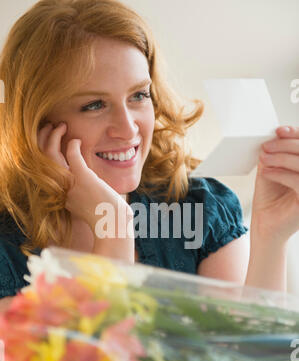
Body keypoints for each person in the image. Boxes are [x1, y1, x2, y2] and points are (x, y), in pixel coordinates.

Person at [0, 0, 299, 309]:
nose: (128, 130)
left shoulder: (199, 211)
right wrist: (113, 230)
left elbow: (248, 354)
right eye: (94, 105)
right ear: (37, 123)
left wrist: (270, 235)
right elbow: (99, 354)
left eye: (139, 95)